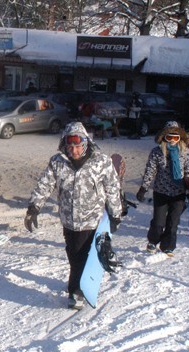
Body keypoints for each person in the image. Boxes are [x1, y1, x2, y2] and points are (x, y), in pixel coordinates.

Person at [24, 122, 122, 309]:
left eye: (78, 146)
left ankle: (76, 292)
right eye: (71, 147)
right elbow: (45, 184)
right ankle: (77, 280)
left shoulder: (101, 162)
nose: (74, 151)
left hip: (91, 220)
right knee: (73, 253)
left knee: (82, 255)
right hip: (68, 220)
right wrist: (33, 208)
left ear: (85, 144)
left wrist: (115, 214)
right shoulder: (58, 162)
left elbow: (112, 188)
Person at [136, 121, 189, 256]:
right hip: (161, 192)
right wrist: (143, 188)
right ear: (163, 137)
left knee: (173, 223)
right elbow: (150, 171)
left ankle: (168, 245)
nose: (172, 141)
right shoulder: (157, 152)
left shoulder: (186, 153)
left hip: (178, 193)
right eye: (169, 137)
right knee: (158, 222)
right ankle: (153, 241)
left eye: (176, 137)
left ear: (180, 138)